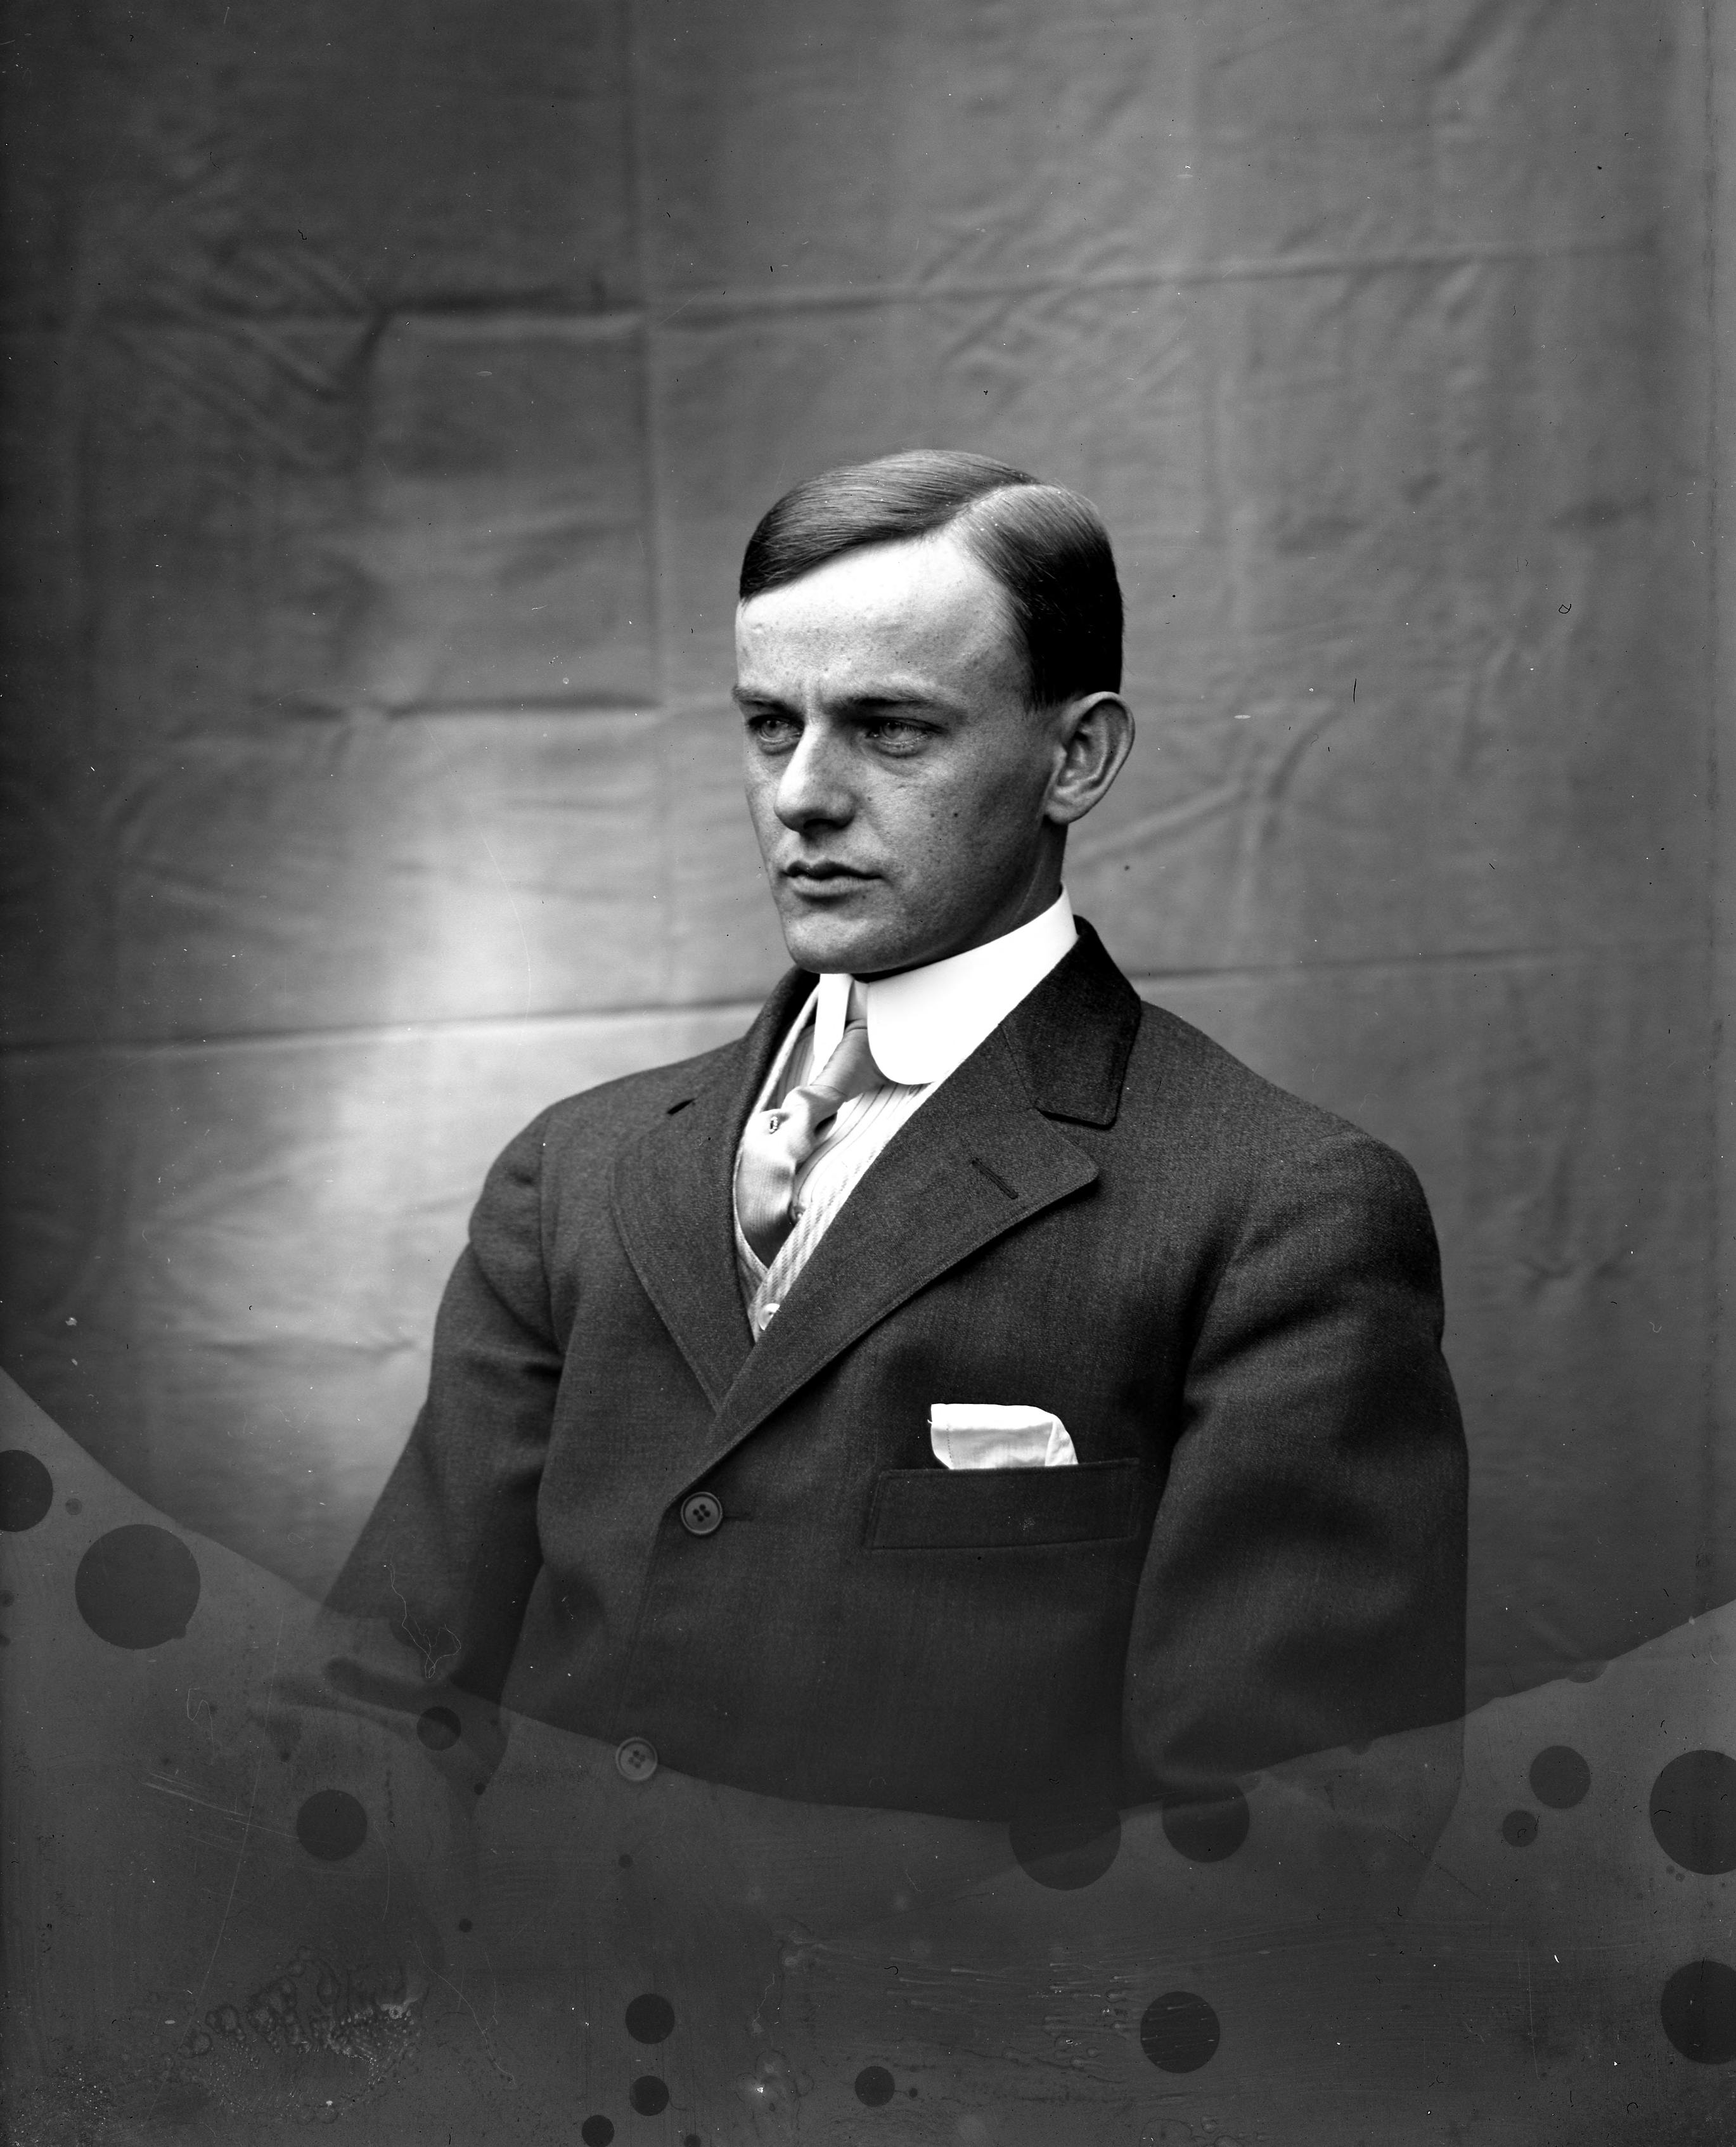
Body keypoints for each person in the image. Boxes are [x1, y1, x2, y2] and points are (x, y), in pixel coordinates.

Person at [323, 450, 1467, 1824]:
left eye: (892, 729)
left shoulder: (1277, 1212)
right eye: (769, 724)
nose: (801, 794)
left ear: (1076, 758)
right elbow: (370, 1710)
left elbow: (1282, 1850)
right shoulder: (574, 1170)